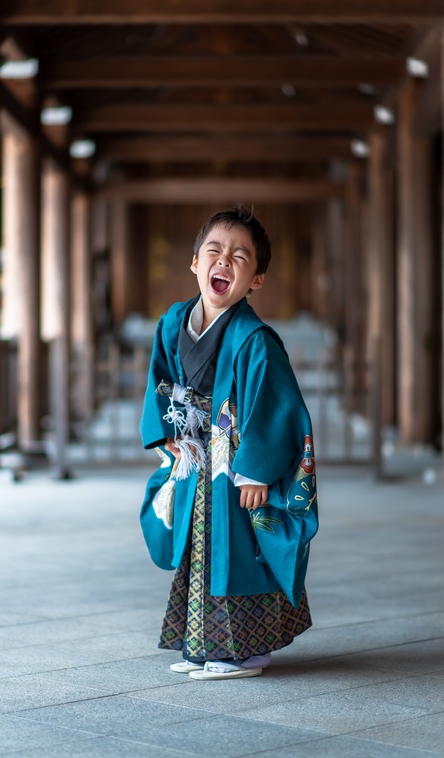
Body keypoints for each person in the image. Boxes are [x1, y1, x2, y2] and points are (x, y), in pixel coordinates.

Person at [138, 206, 319, 681]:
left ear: (255, 280)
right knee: (198, 546)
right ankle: (202, 641)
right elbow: (160, 381)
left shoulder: (255, 339)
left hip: (235, 464)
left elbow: (278, 406)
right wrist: (169, 433)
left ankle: (243, 651)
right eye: (215, 250)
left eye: (241, 256)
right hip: (197, 458)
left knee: (237, 548)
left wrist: (258, 469)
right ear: (195, 262)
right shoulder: (173, 321)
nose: (225, 260)